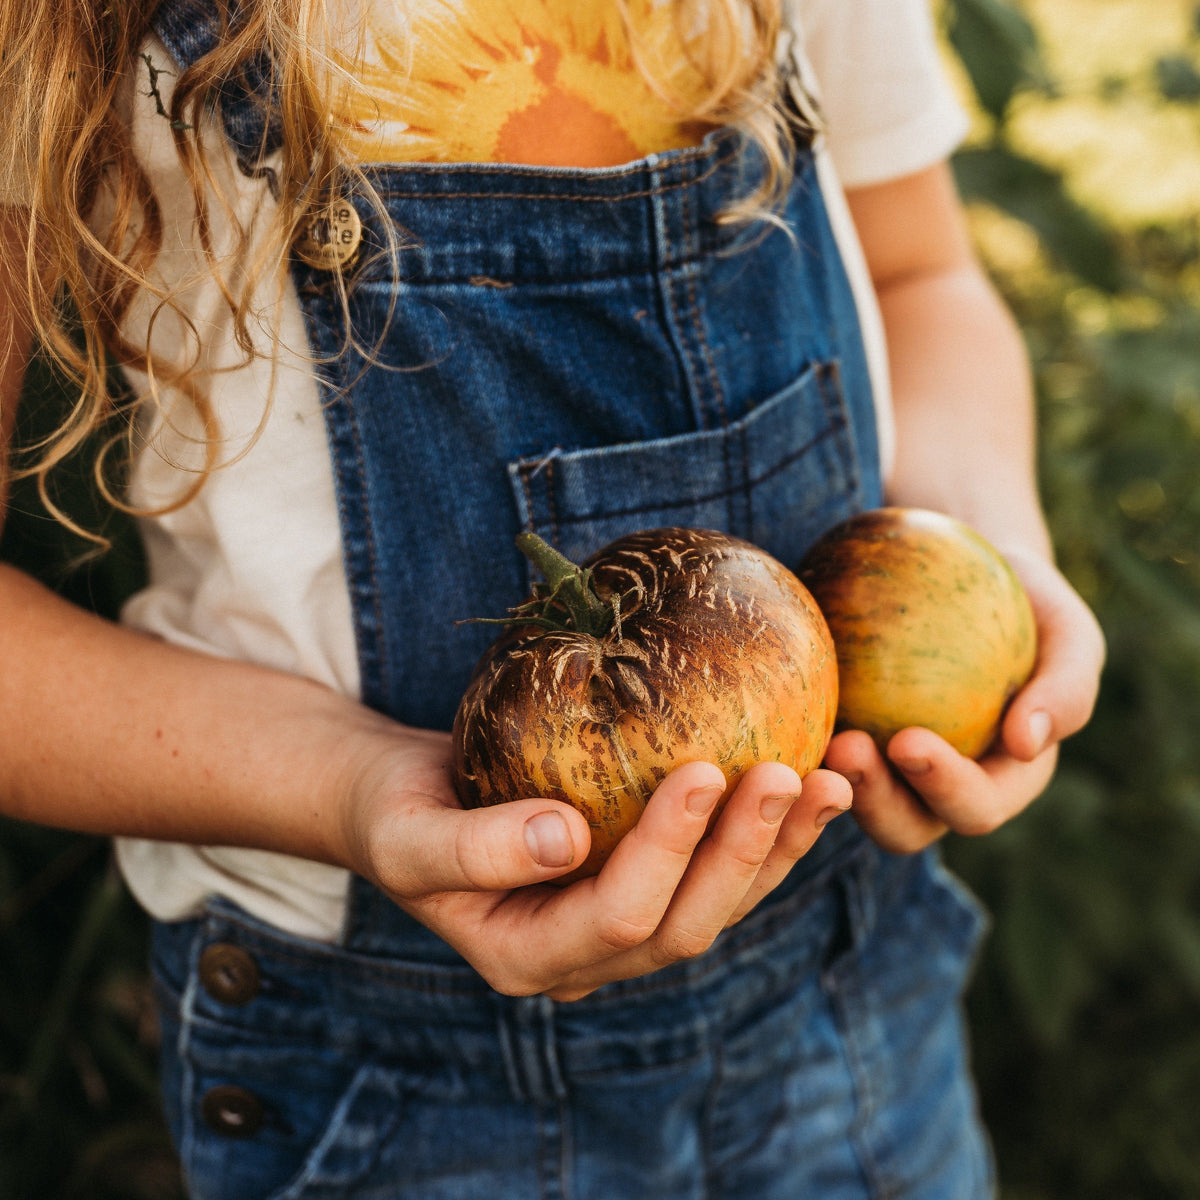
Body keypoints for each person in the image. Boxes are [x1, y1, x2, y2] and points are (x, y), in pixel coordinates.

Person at [0, 1, 1104, 1197]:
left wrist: (985, 555)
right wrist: (360, 788)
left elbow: (921, 270)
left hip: (848, 997)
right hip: (398, 1073)